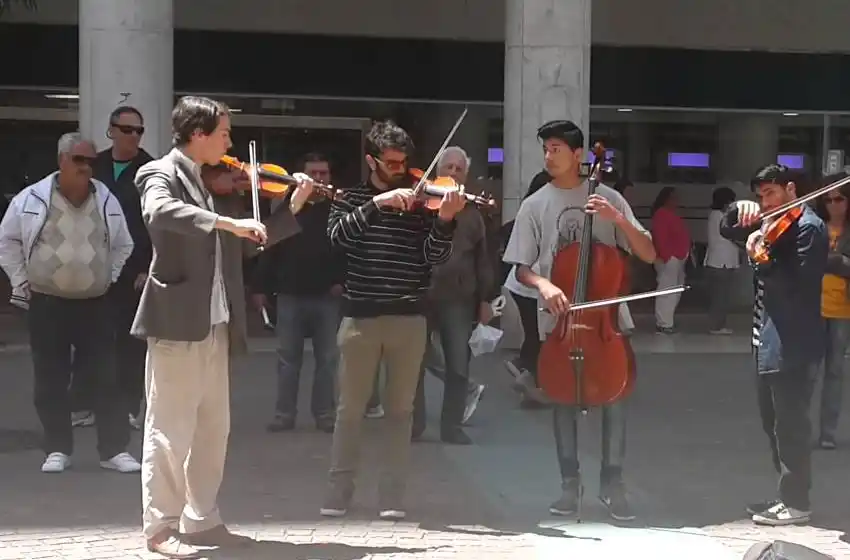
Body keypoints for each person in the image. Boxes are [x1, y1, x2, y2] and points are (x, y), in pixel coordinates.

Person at [133, 96, 313, 558]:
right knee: (169, 427)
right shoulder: (159, 173)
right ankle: (160, 527)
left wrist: (289, 207)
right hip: (176, 321)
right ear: (198, 133)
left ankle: (201, 517)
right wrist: (225, 221)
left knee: (214, 427)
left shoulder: (212, 185)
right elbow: (158, 212)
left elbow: (246, 246)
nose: (231, 142)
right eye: (225, 133)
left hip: (217, 321)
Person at [503, 120, 656, 521]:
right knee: (561, 400)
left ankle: (613, 484)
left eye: (556, 149)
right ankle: (570, 485)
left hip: (606, 321)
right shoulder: (535, 204)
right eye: (546, 149)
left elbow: (649, 253)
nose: (549, 156)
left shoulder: (609, 197)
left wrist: (618, 219)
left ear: (578, 155)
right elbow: (521, 269)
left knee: (616, 400)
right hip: (560, 320)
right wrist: (545, 284)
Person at [321, 120, 464, 520]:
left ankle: (392, 497)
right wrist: (377, 204)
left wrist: (446, 222)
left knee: (400, 413)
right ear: (372, 160)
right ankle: (338, 492)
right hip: (360, 319)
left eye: (404, 163)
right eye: (391, 163)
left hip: (409, 318)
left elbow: (434, 258)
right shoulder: (350, 198)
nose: (400, 170)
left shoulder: (422, 205)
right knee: (349, 410)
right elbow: (336, 240)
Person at [0, 132, 139, 474]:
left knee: (107, 376)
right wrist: (21, 281)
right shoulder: (31, 198)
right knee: (50, 378)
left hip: (95, 303)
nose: (86, 168)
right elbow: (8, 240)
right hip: (48, 303)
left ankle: (113, 450)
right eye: (79, 161)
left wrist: (109, 276)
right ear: (62, 160)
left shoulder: (104, 198)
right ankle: (57, 448)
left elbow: (124, 243)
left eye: (91, 162)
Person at [720, 163, 827, 526]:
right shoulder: (769, 224)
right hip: (765, 340)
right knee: (773, 424)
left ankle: (797, 503)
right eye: (760, 195)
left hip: (793, 343)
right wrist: (739, 211)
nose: (765, 202)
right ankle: (786, 494)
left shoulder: (808, 228)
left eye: (771, 193)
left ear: (791, 189)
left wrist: (760, 254)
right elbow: (726, 229)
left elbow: (797, 283)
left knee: (790, 425)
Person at [70, 105, 153, 429]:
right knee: (89, 337)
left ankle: (129, 406)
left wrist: (148, 267)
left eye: (138, 131)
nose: (133, 136)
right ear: (112, 130)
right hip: (92, 267)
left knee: (130, 342)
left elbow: (154, 224)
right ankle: (85, 404)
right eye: (127, 129)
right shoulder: (95, 166)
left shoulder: (149, 169)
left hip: (133, 270)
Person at [252, 152, 343, 434]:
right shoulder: (287, 206)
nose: (319, 179)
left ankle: (325, 414)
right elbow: (269, 247)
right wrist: (259, 288)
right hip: (290, 293)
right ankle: (284, 414)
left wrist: (343, 280)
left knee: (327, 360)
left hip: (328, 295)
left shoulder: (337, 207)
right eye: (313, 173)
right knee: (287, 359)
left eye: (323, 174)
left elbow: (348, 248)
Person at [412, 146, 493, 442]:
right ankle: (414, 424)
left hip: (459, 297)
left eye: (459, 170)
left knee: (458, 364)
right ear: (437, 171)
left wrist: (485, 298)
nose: (453, 173)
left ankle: (452, 426)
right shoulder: (420, 206)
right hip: (421, 294)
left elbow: (483, 259)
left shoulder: (473, 214)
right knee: (414, 364)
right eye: (448, 168)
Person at [502, 170, 552, 408]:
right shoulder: (539, 210)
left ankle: (528, 377)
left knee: (535, 335)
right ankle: (528, 376)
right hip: (530, 283)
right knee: (540, 336)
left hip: (521, 284)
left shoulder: (531, 208)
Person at [812, 173, 850, 449]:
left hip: (843, 310)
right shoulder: (815, 228)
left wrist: (836, 262)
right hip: (812, 307)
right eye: (828, 200)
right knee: (807, 372)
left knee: (835, 371)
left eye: (839, 199)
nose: (834, 205)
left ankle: (828, 432)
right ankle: (802, 429)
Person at [650, 186, 690, 333]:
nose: (676, 200)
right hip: (669, 258)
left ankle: (668, 320)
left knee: (675, 290)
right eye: (673, 197)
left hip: (679, 257)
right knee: (666, 291)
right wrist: (667, 256)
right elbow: (660, 237)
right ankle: (663, 323)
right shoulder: (661, 214)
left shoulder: (673, 214)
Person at [704, 187, 739, 334]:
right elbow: (730, 235)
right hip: (722, 262)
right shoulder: (720, 216)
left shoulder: (714, 215)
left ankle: (718, 324)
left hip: (717, 260)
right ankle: (717, 326)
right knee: (721, 296)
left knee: (719, 295)